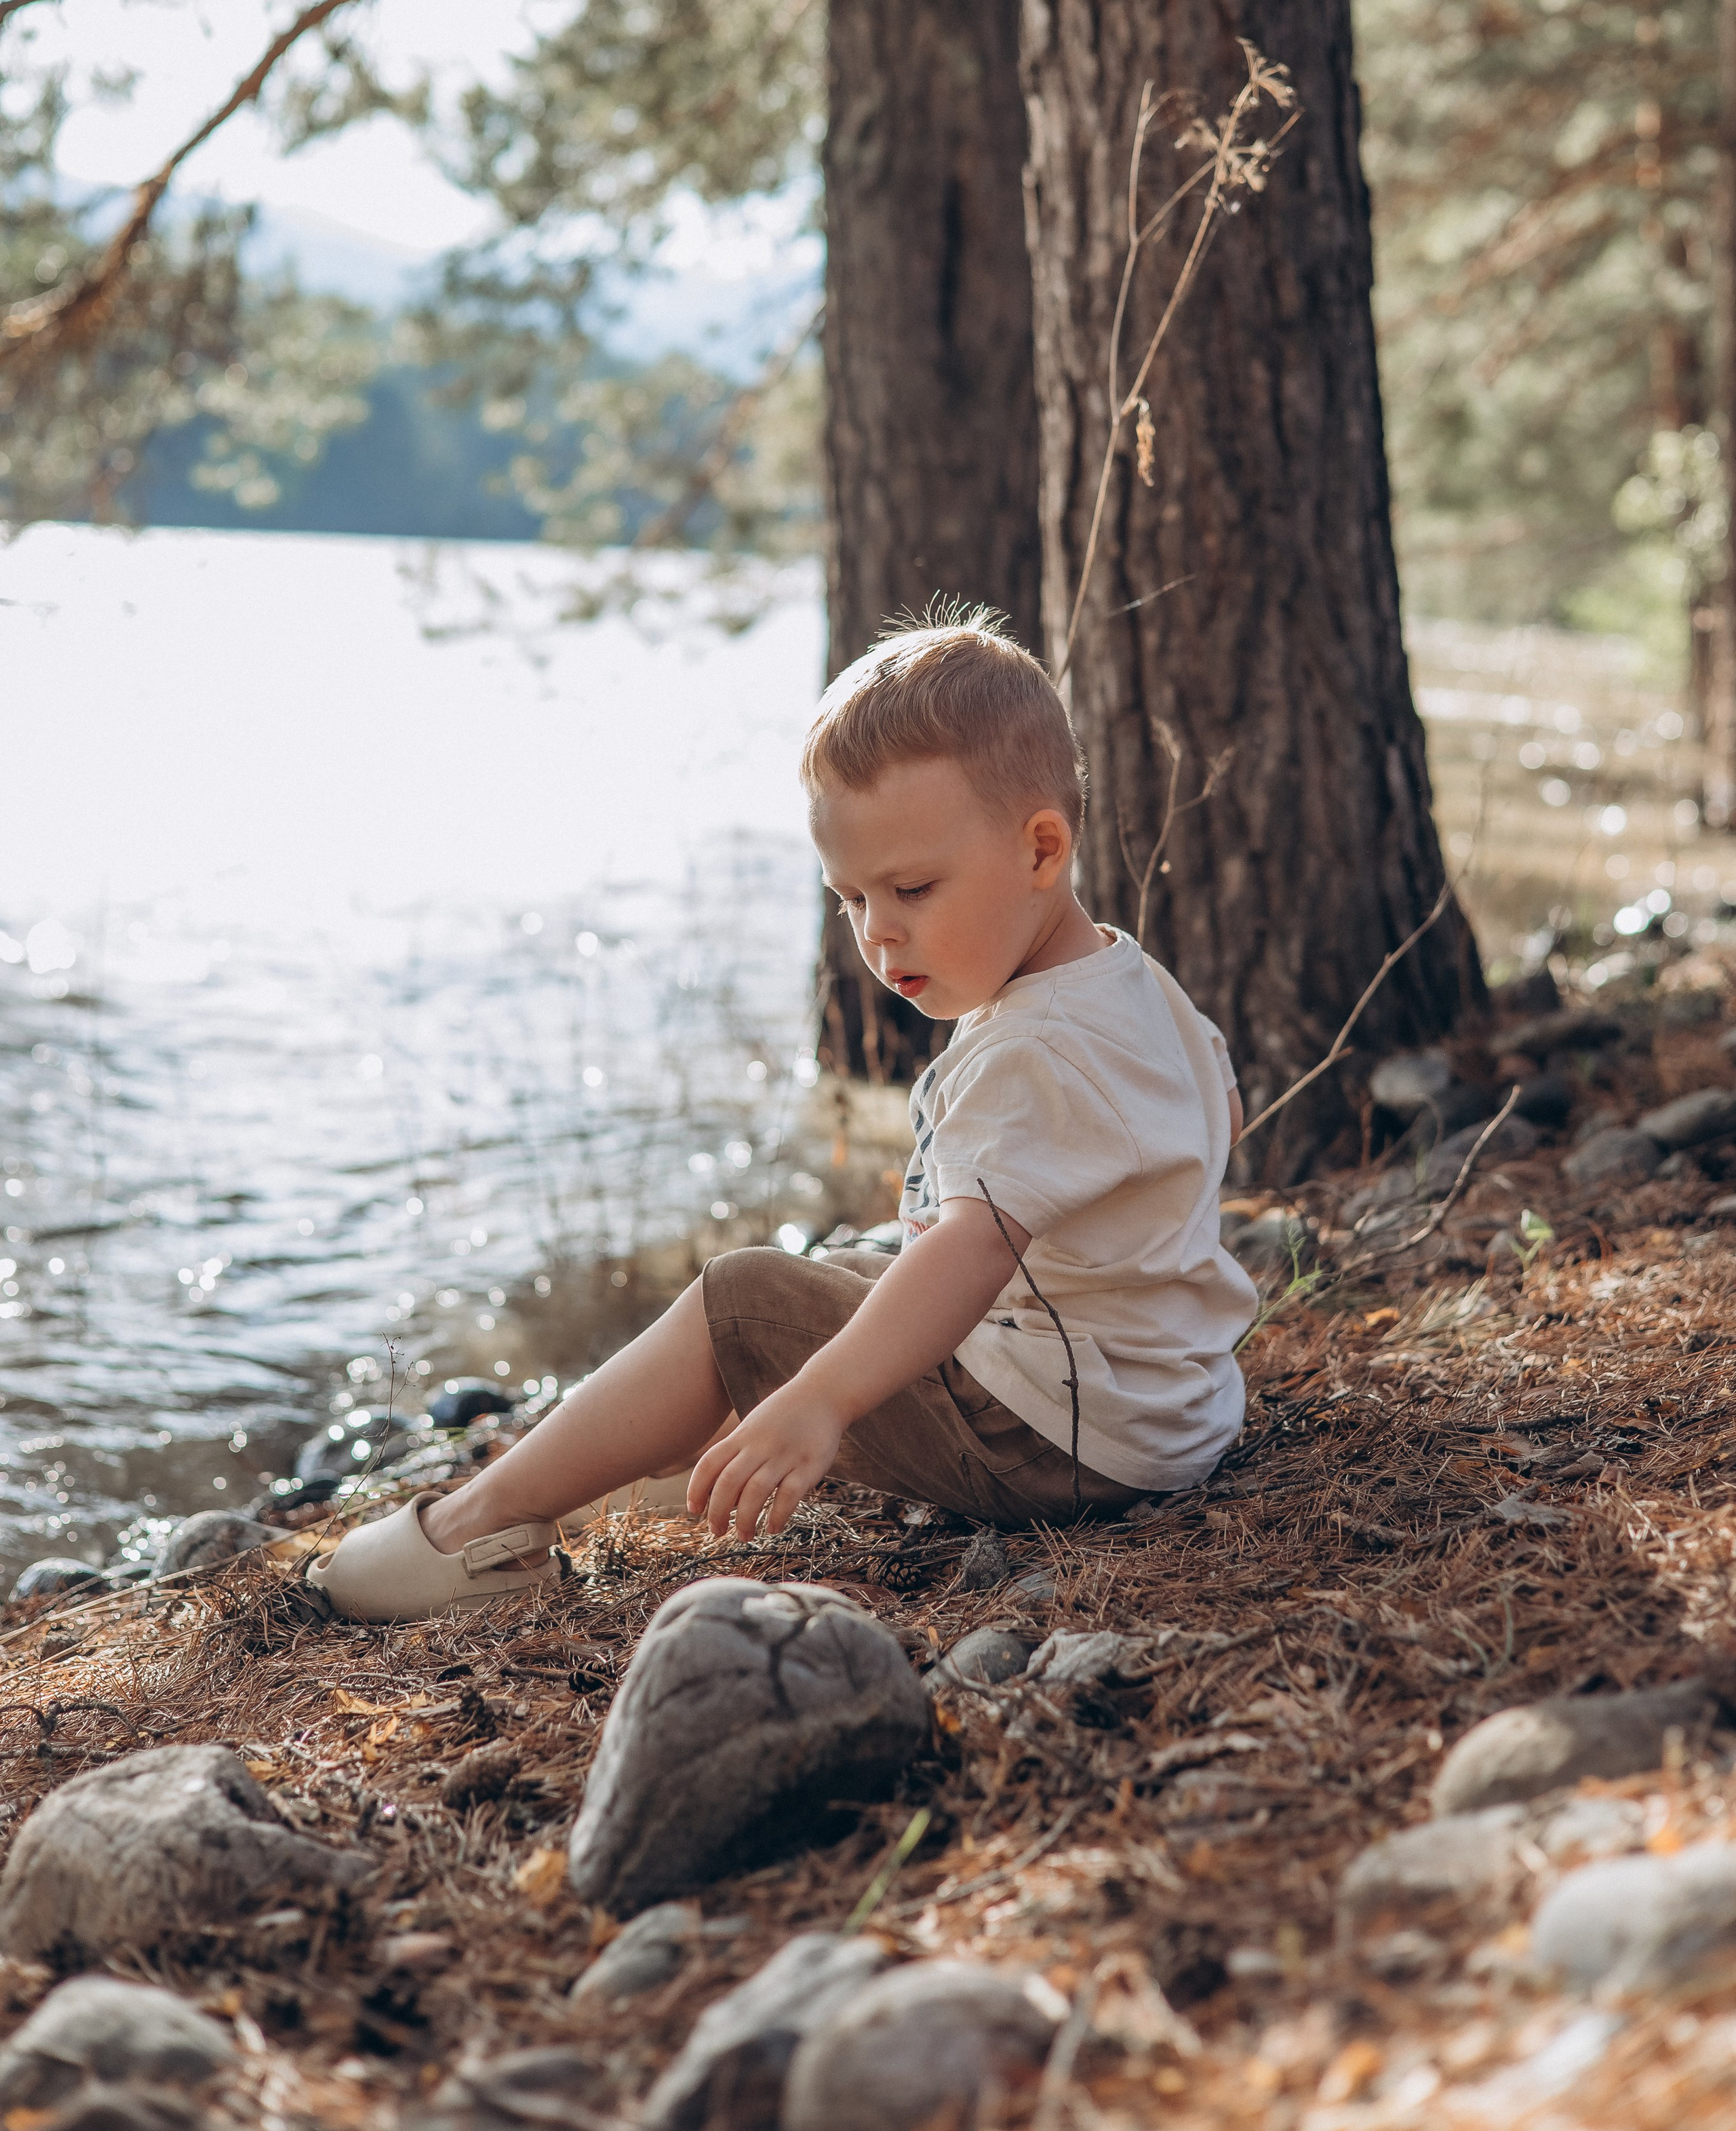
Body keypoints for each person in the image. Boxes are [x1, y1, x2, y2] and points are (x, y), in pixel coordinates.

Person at [312, 614, 1256, 1621]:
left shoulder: (1031, 1050)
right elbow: (1221, 1113)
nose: (878, 931)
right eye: (849, 898)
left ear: (1040, 849)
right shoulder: (1127, 983)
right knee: (857, 1266)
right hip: (1163, 1410)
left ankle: (477, 1530)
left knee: (747, 1300)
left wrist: (822, 1400)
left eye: (912, 888)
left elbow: (974, 1253)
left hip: (1061, 1443)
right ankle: (674, 1450)